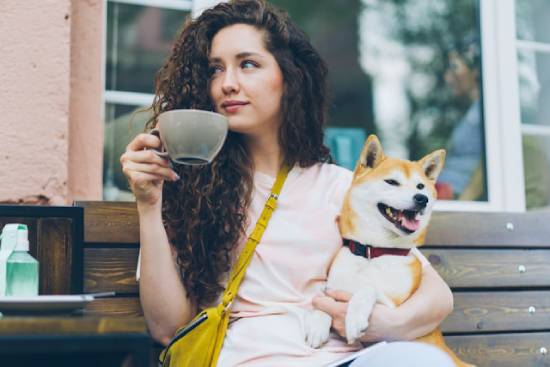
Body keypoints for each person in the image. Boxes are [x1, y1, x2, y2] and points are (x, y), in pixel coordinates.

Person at [120, 1, 454, 365]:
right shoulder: (190, 188)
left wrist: (391, 324)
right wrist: (149, 203)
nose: (228, 84)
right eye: (216, 69)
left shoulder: (341, 187)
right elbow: (168, 329)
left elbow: (437, 295)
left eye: (248, 64)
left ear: (289, 76)